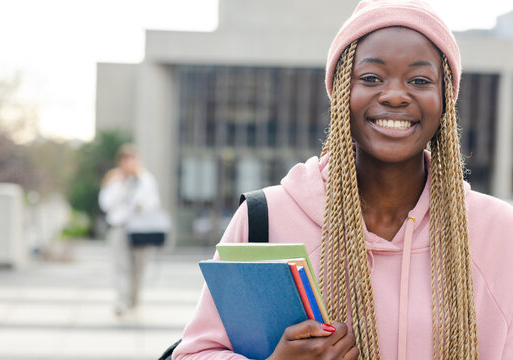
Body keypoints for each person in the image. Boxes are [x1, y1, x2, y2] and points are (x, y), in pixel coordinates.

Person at [173, 0, 513, 359]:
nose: (395, 95)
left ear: (445, 99)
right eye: (370, 78)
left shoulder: (497, 231)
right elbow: (195, 353)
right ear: (339, 94)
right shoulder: (267, 218)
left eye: (419, 80)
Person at [99, 144, 161, 316]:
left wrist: (142, 205)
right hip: (119, 227)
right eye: (125, 160)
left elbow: (154, 203)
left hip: (141, 229)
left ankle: (134, 298)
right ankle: (121, 300)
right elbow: (105, 204)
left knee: (139, 267)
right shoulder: (113, 179)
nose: (129, 164)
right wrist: (121, 186)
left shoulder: (146, 180)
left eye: (132, 160)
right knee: (120, 266)